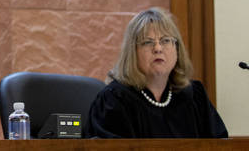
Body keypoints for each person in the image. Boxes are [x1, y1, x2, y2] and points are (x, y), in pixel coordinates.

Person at [84, 7, 227, 138]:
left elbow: (221, 143)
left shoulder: (194, 96)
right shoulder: (114, 100)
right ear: (132, 52)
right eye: (148, 42)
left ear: (177, 50)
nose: (158, 48)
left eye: (165, 41)